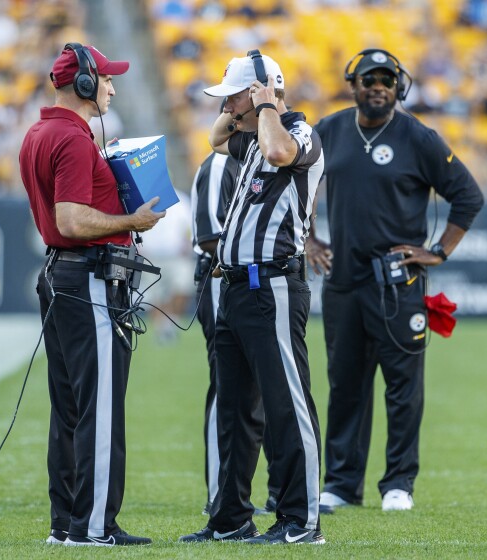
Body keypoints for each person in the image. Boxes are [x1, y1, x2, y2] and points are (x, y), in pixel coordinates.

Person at [306, 48, 484, 513]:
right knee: (345, 384)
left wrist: (438, 251)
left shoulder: (419, 138)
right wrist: (308, 239)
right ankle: (341, 484)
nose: (378, 87)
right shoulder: (329, 130)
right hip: (344, 280)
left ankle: (399, 483)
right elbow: (293, 182)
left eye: (386, 80)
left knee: (403, 387)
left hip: (398, 285)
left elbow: (468, 196)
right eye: (369, 80)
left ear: (399, 87)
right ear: (354, 85)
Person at [18, 43, 164, 547]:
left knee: (69, 408)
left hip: (63, 276)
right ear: (83, 83)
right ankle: (95, 526)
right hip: (88, 278)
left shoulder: (40, 132)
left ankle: (66, 523)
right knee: (99, 407)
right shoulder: (73, 138)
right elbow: (72, 220)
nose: (112, 88)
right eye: (105, 79)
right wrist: (132, 219)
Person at [179, 50, 325, 545]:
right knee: (235, 410)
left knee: (286, 404)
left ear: (261, 92)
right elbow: (215, 139)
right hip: (236, 288)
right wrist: (245, 109)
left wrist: (266, 104)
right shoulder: (250, 138)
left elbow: (282, 153)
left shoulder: (298, 133)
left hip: (274, 286)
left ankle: (301, 521)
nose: (226, 107)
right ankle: (231, 518)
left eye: (233, 97)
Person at [189, 150, 280, 517]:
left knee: (264, 386)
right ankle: (220, 493)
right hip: (221, 279)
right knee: (227, 386)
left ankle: (278, 490)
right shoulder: (219, 164)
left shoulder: (260, 158)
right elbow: (210, 235)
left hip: (252, 281)